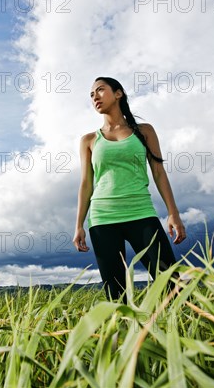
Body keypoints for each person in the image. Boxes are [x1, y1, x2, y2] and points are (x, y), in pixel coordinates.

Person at [73, 77, 186, 303]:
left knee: (171, 282)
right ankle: (128, 337)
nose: (94, 96)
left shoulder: (144, 131)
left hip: (141, 212)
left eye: (100, 90)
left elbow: (159, 172)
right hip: (103, 218)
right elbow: (86, 184)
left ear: (118, 94)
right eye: (91, 94)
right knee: (117, 294)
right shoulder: (88, 140)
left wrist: (173, 212)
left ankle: (177, 333)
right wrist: (79, 225)